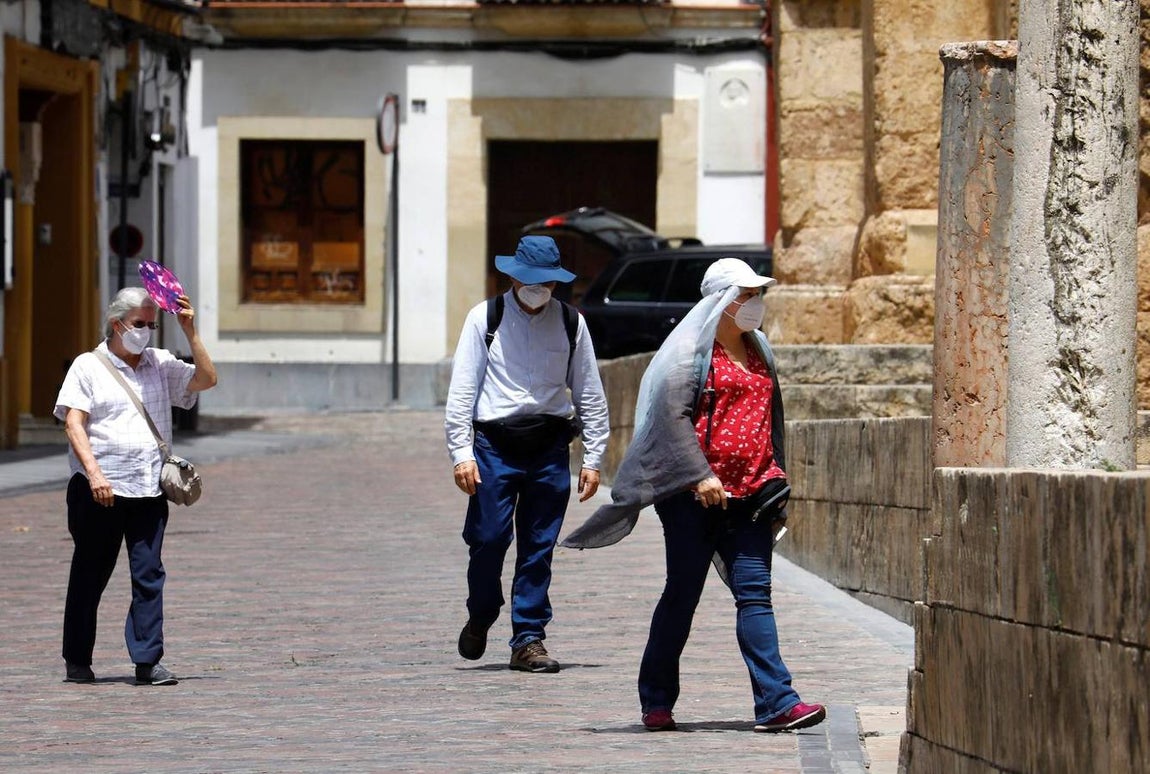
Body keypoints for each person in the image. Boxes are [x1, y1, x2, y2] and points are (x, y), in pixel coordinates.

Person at [561, 258, 825, 732]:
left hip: (749, 495)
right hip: (691, 497)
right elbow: (670, 417)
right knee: (682, 594)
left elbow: (769, 417)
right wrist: (700, 475)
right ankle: (657, 699)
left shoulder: (759, 349)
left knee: (755, 596)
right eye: (745, 295)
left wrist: (774, 472)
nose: (754, 304)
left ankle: (778, 703)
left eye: (756, 294)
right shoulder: (688, 352)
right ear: (721, 301)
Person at [445, 235, 609, 673]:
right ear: (514, 276)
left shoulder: (572, 323)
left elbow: (589, 390)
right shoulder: (486, 319)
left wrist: (593, 458)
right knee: (489, 538)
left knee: (539, 546)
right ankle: (482, 611)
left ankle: (528, 639)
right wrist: (461, 452)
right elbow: (463, 389)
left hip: (548, 446)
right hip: (493, 446)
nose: (539, 290)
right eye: (531, 281)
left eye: (547, 283)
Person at [55, 286, 217, 686]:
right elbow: (74, 422)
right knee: (91, 574)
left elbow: (206, 380)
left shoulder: (160, 363)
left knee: (148, 574)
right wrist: (94, 474)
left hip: (148, 488)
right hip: (100, 489)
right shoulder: (87, 366)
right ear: (117, 324)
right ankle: (77, 659)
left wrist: (190, 332)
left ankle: (147, 662)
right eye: (139, 324)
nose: (146, 331)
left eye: (151, 324)